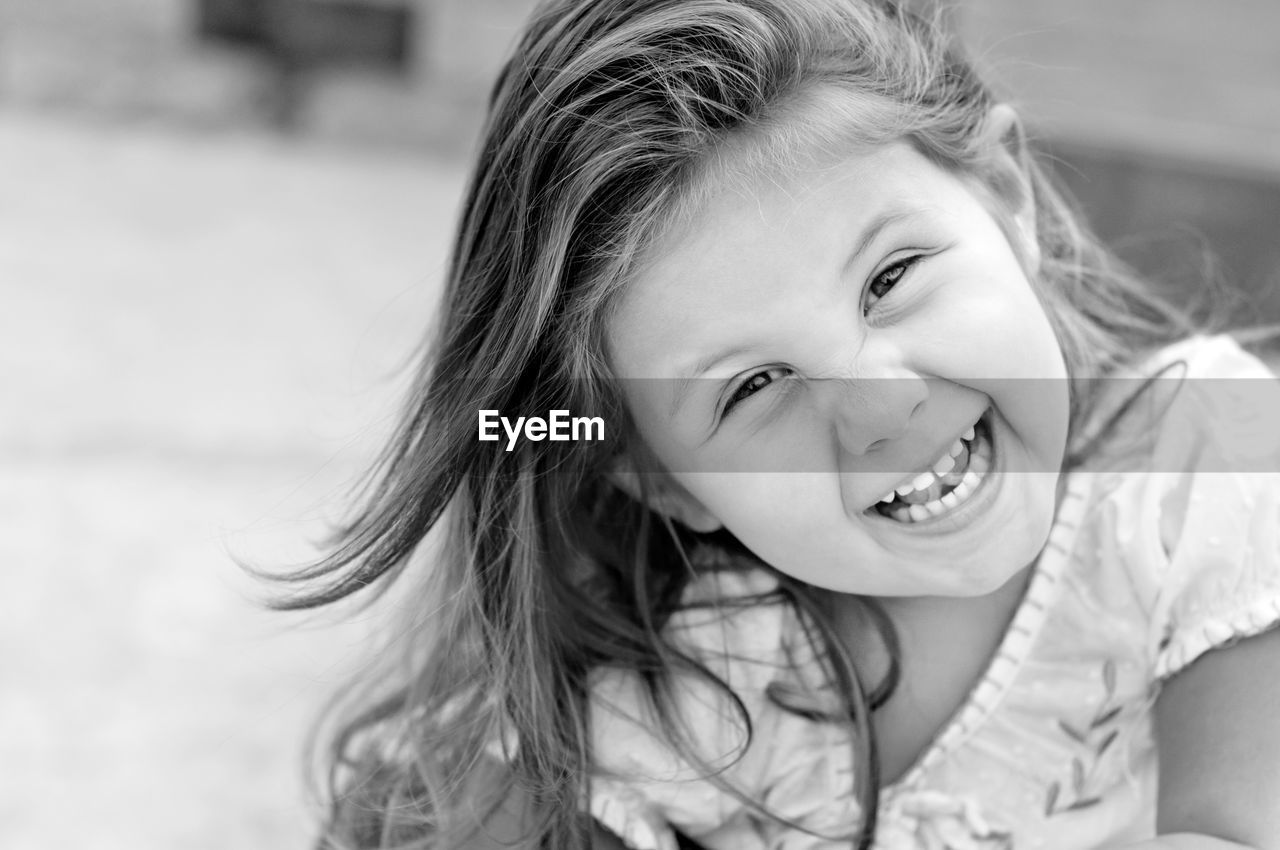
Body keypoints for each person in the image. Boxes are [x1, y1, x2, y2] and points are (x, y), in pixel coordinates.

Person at [277, 0, 1280, 847]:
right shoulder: (705, 669)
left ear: (1005, 200)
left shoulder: (1204, 458)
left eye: (891, 278)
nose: (882, 407)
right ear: (655, 474)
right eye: (751, 385)